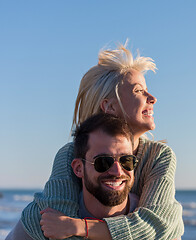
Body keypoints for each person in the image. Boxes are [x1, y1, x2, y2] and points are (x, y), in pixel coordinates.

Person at [18, 44, 184, 240]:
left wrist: (80, 227)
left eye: (127, 161)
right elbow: (56, 226)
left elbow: (154, 225)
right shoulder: (70, 154)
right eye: (139, 91)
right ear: (110, 106)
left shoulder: (159, 156)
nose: (152, 98)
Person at [7, 113, 140, 239]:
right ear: (78, 168)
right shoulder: (45, 221)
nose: (117, 171)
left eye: (126, 160)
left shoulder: (145, 219)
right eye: (103, 162)